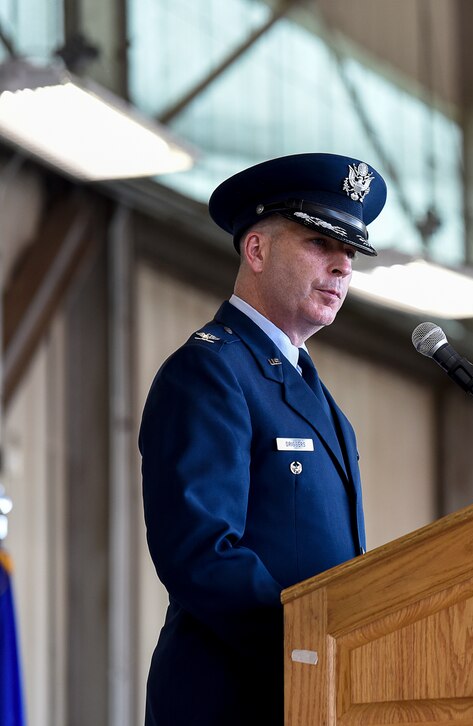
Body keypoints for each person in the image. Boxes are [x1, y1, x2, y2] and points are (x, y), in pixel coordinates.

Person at [140, 153, 387, 725]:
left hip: (308, 699)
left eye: (350, 253)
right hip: (233, 699)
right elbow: (201, 551)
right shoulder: (209, 371)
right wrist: (313, 646)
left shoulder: (323, 405)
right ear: (256, 250)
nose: (341, 266)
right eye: (320, 244)